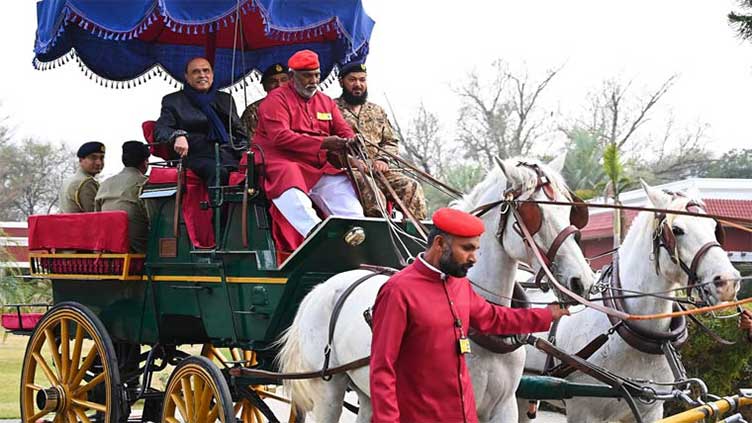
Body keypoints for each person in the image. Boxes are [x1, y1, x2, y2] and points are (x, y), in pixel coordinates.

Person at [370, 208, 570, 423]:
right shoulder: (398, 291)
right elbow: (382, 368)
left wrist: (546, 314)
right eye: (467, 249)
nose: (474, 258)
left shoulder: (459, 284)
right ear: (439, 244)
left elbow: (493, 318)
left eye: (476, 249)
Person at [252, 49, 364, 252]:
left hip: (317, 164)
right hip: (281, 161)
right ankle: (316, 236)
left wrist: (351, 140)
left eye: (317, 75)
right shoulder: (276, 100)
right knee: (288, 174)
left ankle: (357, 238)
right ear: (292, 76)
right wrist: (323, 143)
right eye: (307, 75)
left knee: (342, 189)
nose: (313, 80)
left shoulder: (325, 101)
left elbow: (342, 129)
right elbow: (280, 137)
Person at [335, 61, 427, 220]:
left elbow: (391, 142)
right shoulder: (331, 107)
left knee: (411, 186)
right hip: (350, 170)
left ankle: (414, 234)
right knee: (372, 191)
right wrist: (350, 161)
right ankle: (383, 233)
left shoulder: (377, 110)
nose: (358, 84)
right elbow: (327, 142)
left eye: (362, 80)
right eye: (352, 80)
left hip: (379, 169)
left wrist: (383, 160)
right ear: (342, 81)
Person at [154, 57, 248, 187]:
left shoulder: (225, 99)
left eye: (206, 71)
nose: (202, 75)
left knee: (258, 172)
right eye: (196, 72)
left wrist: (246, 153)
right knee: (218, 172)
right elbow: (161, 129)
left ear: (212, 75)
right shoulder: (173, 101)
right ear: (186, 77)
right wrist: (178, 135)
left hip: (228, 154)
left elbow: (239, 132)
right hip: (196, 156)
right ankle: (215, 207)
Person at [95, 141, 151, 253]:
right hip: (138, 251)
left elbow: (97, 217)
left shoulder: (105, 184)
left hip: (108, 251)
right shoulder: (146, 183)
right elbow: (154, 219)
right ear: (145, 162)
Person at [240, 63, 290, 139]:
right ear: (264, 86)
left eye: (284, 80)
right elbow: (250, 143)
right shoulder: (254, 110)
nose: (279, 85)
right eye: (273, 81)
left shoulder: (302, 105)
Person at [59, 141, 105, 213]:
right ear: (81, 160)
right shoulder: (87, 183)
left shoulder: (67, 181)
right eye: (93, 158)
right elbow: (95, 216)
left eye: (101, 158)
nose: (99, 163)